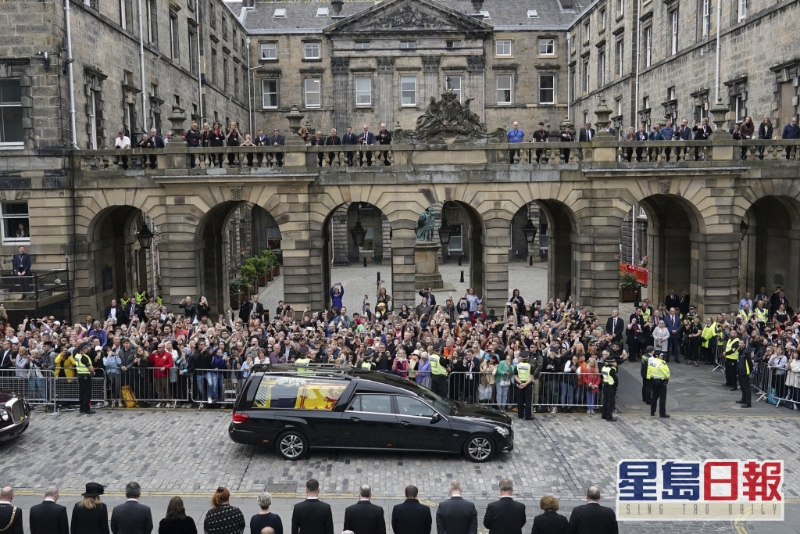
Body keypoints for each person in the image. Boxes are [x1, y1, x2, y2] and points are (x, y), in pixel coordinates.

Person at [74, 341, 96, 414]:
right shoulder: (84, 357)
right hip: (86, 376)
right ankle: (86, 408)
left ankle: (82, 408)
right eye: (86, 347)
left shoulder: (77, 355)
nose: (87, 349)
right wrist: (93, 372)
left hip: (80, 375)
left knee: (82, 393)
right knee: (87, 393)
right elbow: (90, 367)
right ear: (83, 349)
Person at [647, 352, 670, 418]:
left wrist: (649, 378)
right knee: (662, 398)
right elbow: (667, 372)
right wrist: (667, 378)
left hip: (653, 380)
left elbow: (649, 371)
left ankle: (652, 411)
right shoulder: (662, 362)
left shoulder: (651, 361)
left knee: (654, 396)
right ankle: (662, 413)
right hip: (661, 381)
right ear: (660, 356)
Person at [513, 351, 534, 420]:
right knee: (528, 400)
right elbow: (531, 377)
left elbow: (515, 376)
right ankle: (528, 416)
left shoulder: (517, 366)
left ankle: (520, 415)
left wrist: (521, 383)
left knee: (520, 400)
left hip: (520, 384)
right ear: (527, 359)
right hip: (527, 384)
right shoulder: (530, 366)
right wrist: (525, 384)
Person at [737, 343, 754, 408]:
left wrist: (749, 370)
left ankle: (748, 402)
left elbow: (749, 362)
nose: (740, 344)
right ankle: (743, 399)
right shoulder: (740, 351)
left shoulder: (746, 352)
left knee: (746, 387)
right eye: (739, 343)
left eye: (741, 343)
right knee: (742, 386)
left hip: (745, 371)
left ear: (744, 344)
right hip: (740, 370)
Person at [600, 357, 618, 422]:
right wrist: (615, 386)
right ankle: (609, 416)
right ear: (611, 362)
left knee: (605, 400)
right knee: (610, 402)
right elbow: (615, 379)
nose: (614, 363)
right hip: (611, 386)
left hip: (605, 385)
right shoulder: (612, 369)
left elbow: (602, 376)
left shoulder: (604, 368)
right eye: (613, 362)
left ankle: (604, 415)